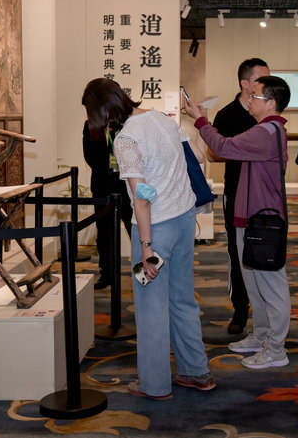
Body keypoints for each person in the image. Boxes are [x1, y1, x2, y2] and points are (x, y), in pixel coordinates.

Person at [82, 78, 214, 399]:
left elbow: (141, 199)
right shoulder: (161, 118)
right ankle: (196, 372)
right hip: (185, 219)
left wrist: (145, 247)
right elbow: (198, 157)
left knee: (151, 307)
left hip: (156, 228)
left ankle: (154, 385)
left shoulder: (126, 138)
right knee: (183, 299)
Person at [185, 76, 292, 369]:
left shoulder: (267, 131)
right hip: (250, 215)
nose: (250, 100)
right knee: (254, 283)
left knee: (271, 285)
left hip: (263, 219)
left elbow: (222, 146)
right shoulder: (264, 130)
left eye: (255, 96)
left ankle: (276, 349)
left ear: (271, 103)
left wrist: (201, 121)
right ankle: (261, 335)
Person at [212, 58, 271, 334]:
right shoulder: (226, 115)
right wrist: (241, 150)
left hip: (265, 195)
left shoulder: (268, 111)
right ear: (244, 83)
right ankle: (240, 308)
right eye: (260, 79)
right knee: (237, 252)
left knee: (267, 248)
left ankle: (266, 310)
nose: (265, 83)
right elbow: (213, 152)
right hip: (236, 192)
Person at [81, 121, 133, 289]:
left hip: (127, 186)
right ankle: (106, 274)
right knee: (104, 233)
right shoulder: (91, 126)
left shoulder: (126, 123)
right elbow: (90, 156)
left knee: (135, 229)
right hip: (102, 186)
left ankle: (143, 270)